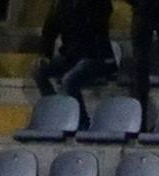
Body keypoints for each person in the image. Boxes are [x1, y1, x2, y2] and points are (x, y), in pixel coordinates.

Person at [34, 0, 117, 129]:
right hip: (70, 57)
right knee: (39, 71)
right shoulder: (60, 4)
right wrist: (45, 55)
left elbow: (102, 18)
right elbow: (49, 32)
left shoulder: (97, 4)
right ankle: (58, 110)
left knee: (69, 80)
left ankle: (82, 122)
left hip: (95, 57)